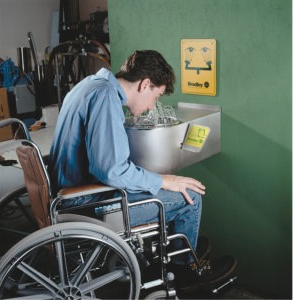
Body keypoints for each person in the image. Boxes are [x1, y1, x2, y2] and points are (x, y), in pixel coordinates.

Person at [48, 50, 237, 293]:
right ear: (145, 84)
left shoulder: (91, 84)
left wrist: (155, 179)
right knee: (190, 198)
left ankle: (178, 248)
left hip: (67, 195)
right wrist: (164, 180)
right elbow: (111, 171)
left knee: (165, 188)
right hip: (87, 207)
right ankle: (185, 272)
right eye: (155, 97)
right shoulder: (106, 98)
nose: (152, 106)